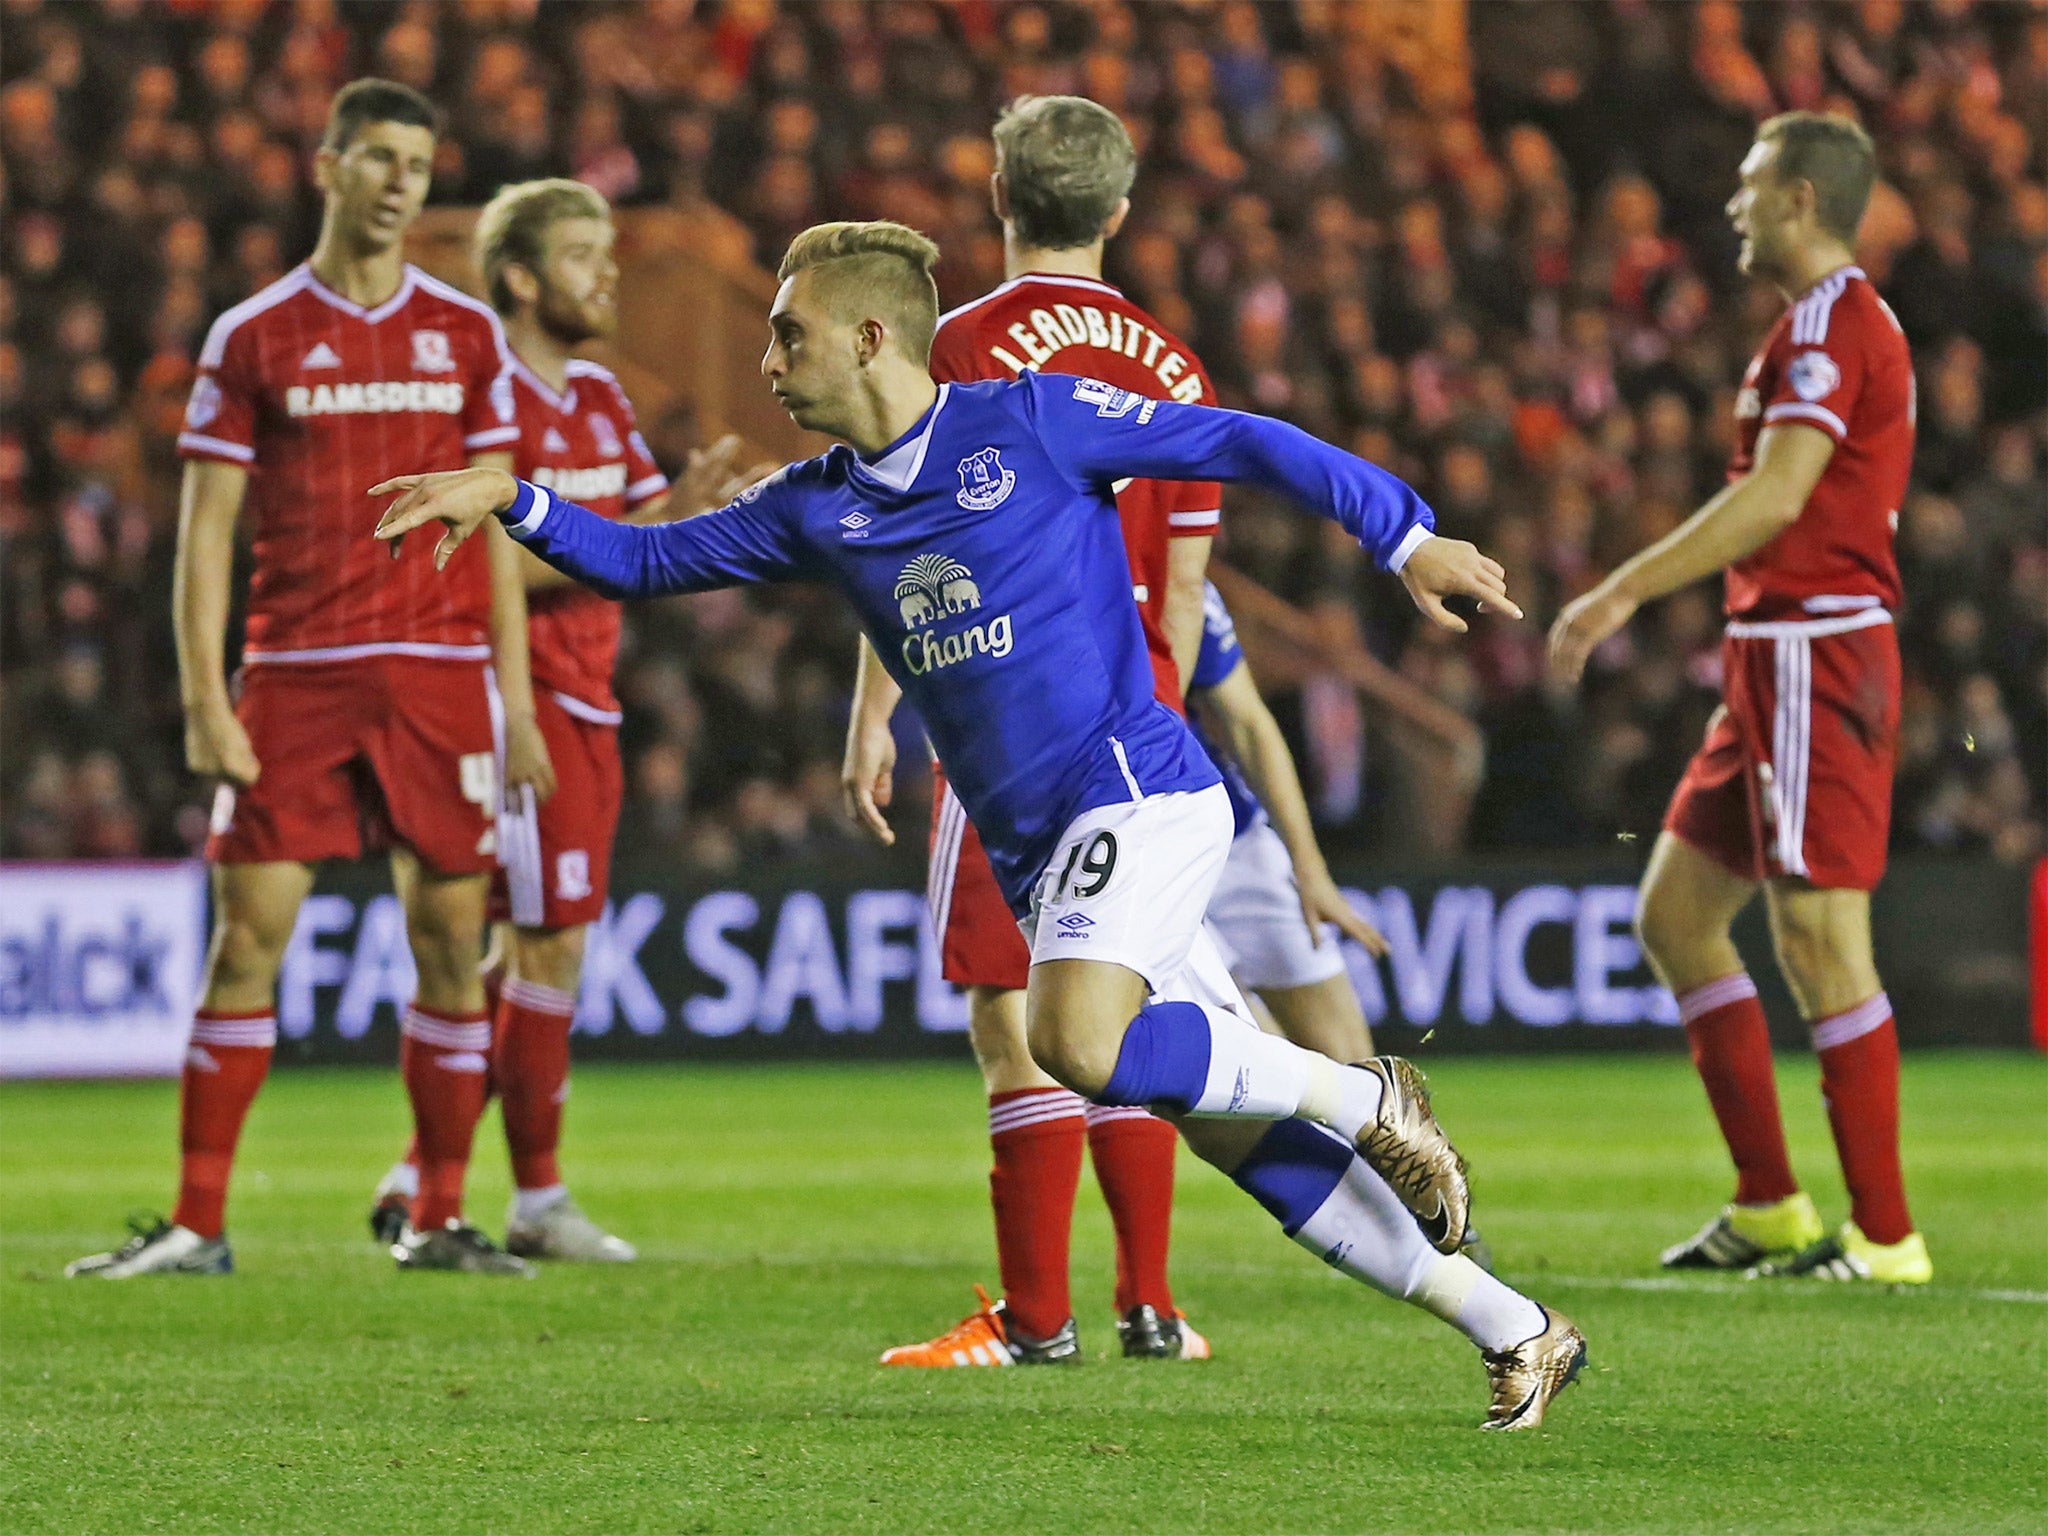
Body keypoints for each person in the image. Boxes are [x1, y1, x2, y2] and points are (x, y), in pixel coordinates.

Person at [376, 218, 1588, 1430]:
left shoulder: (1032, 420)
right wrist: (514, 498)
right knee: (1227, 1138)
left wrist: (1407, 533)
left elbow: (1240, 442)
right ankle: (1514, 1328)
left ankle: (1366, 1097)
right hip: (1040, 852)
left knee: (1073, 1041)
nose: (765, 363)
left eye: (785, 335)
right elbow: (646, 564)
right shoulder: (814, 507)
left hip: (1140, 791)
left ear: (867, 336)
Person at [67, 79, 545, 1280]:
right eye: (378, 159)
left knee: (450, 943)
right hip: (295, 674)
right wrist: (203, 696)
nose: (400, 184)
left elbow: (493, 526)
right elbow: (206, 529)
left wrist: (514, 698)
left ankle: (436, 1214)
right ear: (328, 167)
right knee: (246, 943)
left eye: (419, 166)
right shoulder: (254, 334)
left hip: (438, 676)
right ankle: (197, 1224)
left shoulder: (466, 334)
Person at [839, 95, 1266, 1367]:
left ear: (996, 195)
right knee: (1117, 999)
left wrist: (873, 714)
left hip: (1002, 721)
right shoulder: (1177, 367)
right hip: (1137, 737)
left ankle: (1032, 1321)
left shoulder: (955, 348)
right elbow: (1182, 597)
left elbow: (895, 541)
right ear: (1120, 212)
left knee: (1009, 1012)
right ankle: (1150, 1304)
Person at [1549, 113, 1929, 1285]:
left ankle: (1883, 1236)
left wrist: (1617, 592)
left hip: (1817, 650)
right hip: (1769, 658)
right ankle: (1767, 1204)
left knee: (1818, 937)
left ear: (1803, 201)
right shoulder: (1812, 328)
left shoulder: (1829, 329)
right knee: (1672, 918)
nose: (1731, 203)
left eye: (1751, 184)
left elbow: (1776, 499)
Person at [365, 179, 768, 1263]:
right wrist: (516, 709)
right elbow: (488, 553)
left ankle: (425, 1164)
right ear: (520, 278)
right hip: (517, 700)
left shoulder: (594, 392)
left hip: (588, 697)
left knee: (528, 950)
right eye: (584, 254)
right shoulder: (478, 392)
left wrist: (692, 511)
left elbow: (634, 543)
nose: (607, 274)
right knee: (542, 949)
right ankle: (533, 1196)